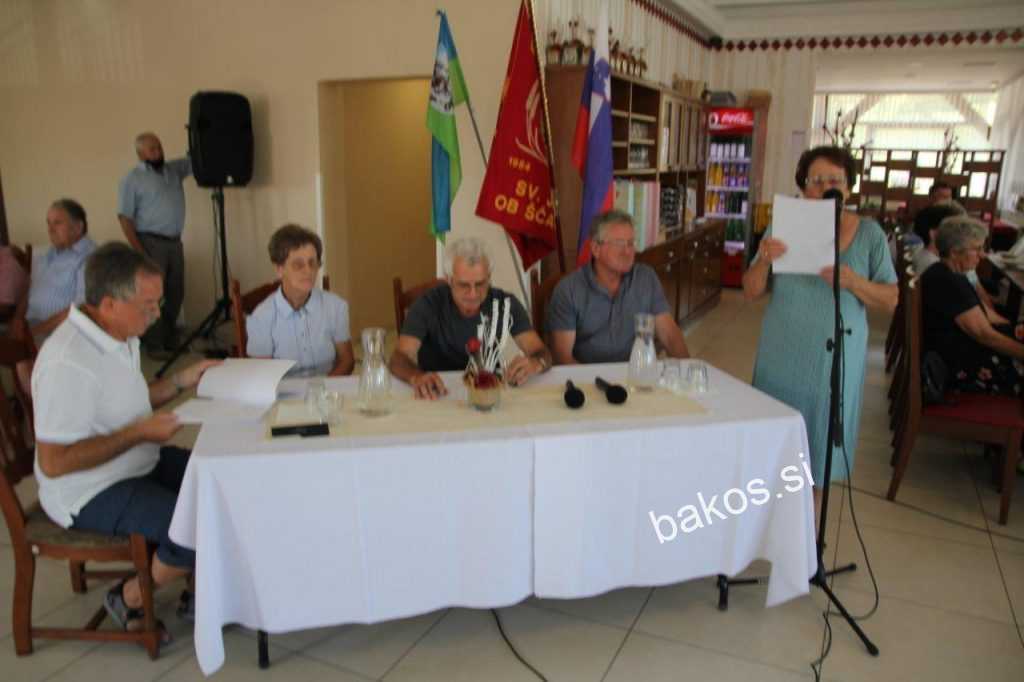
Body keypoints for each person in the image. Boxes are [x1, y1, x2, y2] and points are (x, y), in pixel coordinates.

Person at [32, 242, 219, 632]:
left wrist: (182, 380)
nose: (158, 314)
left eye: (158, 303)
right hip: (89, 489)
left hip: (137, 461)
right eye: (148, 305)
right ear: (109, 304)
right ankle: (129, 596)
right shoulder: (68, 361)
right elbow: (54, 462)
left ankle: (195, 580)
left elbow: (123, 402)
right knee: (196, 521)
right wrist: (138, 433)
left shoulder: (118, 334)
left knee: (222, 481)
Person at [743, 145, 898, 516]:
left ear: (849, 188)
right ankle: (768, 528)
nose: (826, 188)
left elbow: (892, 298)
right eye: (816, 181)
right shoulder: (783, 227)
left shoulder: (870, 234)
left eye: (835, 181)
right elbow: (750, 290)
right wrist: (763, 260)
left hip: (833, 359)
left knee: (818, 453)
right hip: (783, 352)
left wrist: (854, 281)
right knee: (773, 446)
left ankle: (807, 539)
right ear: (803, 188)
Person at [389, 237, 552, 399]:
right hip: (438, 391)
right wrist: (417, 377)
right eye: (464, 285)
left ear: (489, 277)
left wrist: (536, 363)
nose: (473, 294)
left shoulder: (505, 303)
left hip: (487, 392)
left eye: (480, 284)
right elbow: (398, 359)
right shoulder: (427, 304)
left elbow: (542, 353)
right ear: (449, 280)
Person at [547, 209, 690, 364]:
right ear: (595, 248)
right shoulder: (569, 290)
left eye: (631, 243)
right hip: (587, 374)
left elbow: (670, 336)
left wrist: (688, 371)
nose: (627, 251)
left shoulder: (645, 278)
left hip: (635, 371)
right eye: (619, 244)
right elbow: (563, 358)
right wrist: (599, 380)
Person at [921, 216, 1024, 396]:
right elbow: (986, 335)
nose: (982, 255)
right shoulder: (950, 283)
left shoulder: (947, 273)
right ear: (954, 252)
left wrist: (1013, 327)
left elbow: (986, 316)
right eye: (977, 249)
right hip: (965, 370)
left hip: (962, 353)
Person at [117, 132, 192, 356]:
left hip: (174, 242)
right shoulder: (132, 179)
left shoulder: (173, 170)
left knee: (176, 291)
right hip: (150, 243)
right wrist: (139, 251)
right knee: (153, 296)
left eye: (159, 147)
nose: (158, 152)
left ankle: (169, 338)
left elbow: (194, 161)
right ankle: (154, 344)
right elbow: (125, 218)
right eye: (152, 149)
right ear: (141, 154)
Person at [246, 224, 354, 376]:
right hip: (283, 390)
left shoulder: (336, 307)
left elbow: (347, 361)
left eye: (312, 263)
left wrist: (322, 387)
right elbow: (262, 374)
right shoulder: (261, 317)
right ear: (279, 269)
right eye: (298, 265)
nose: (308, 271)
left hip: (328, 387)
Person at [912, 201, 1005, 323]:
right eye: (956, 229)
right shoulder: (940, 267)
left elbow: (977, 294)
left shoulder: (939, 260)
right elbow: (978, 317)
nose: (965, 234)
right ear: (934, 234)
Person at [25, 199, 97, 339]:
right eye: (48, 223)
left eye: (57, 223)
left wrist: (35, 332)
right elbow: (30, 288)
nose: (50, 230)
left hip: (59, 333)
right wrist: (17, 320)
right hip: (29, 326)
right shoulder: (50, 253)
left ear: (78, 227)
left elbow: (81, 308)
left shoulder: (90, 258)